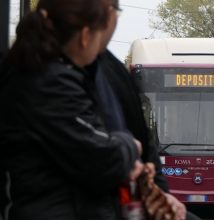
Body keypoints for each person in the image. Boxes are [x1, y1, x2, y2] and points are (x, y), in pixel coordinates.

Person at [0, 0, 145, 219]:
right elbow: (103, 159)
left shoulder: (44, 73)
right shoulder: (52, 83)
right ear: (85, 36)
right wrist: (129, 144)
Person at [93, 1, 200, 219]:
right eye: (114, 10)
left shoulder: (108, 66)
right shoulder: (67, 72)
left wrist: (161, 194)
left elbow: (142, 137)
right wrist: (130, 153)